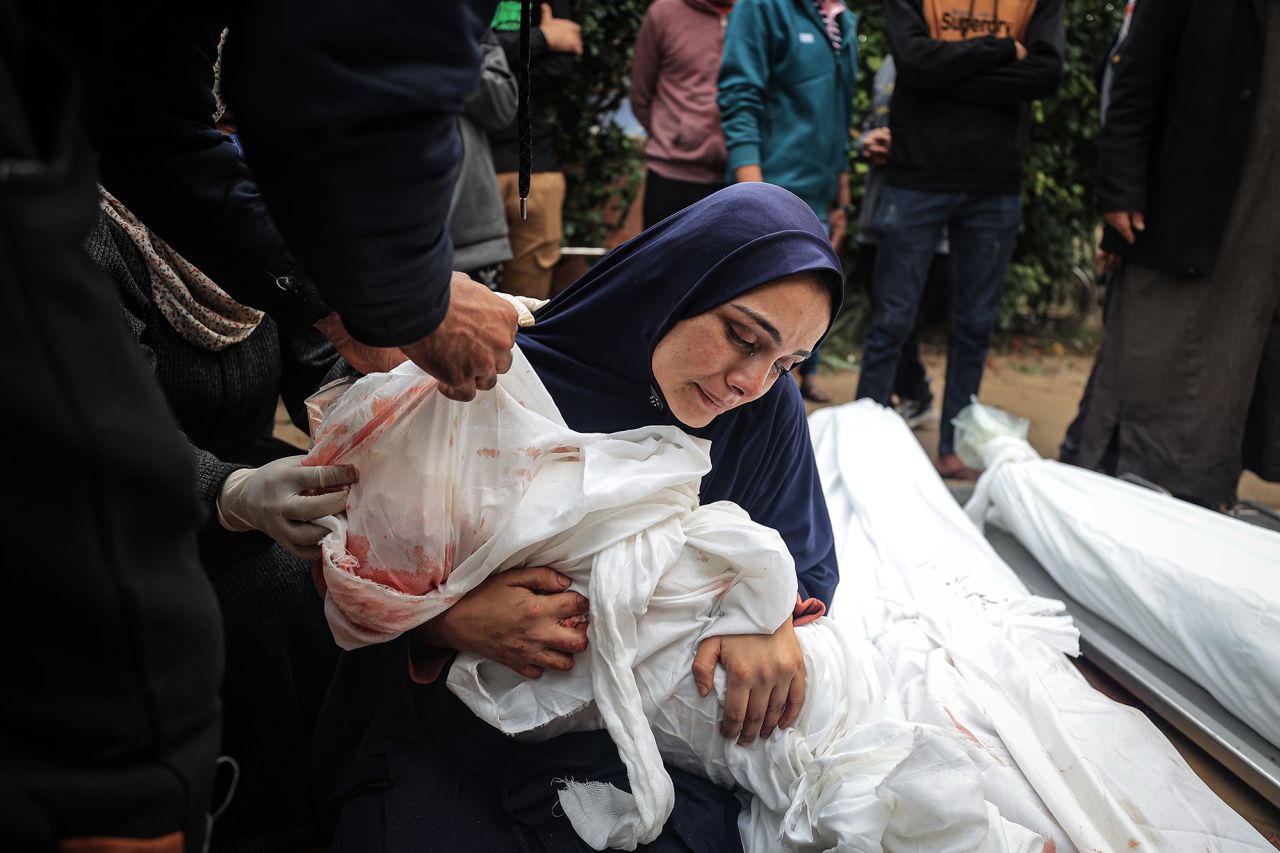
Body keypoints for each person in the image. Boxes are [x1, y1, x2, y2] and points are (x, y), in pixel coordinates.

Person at [320, 183, 842, 851]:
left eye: (786, 362)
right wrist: (448, 622)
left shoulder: (763, 415)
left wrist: (768, 617)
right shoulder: (499, 374)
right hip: (451, 726)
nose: (750, 379)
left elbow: (805, 564)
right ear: (674, 283)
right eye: (742, 336)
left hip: (643, 749)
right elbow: (347, 569)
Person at [89, 190, 351, 850]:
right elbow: (110, 422)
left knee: (355, 547)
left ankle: (353, 785)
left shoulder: (232, 215)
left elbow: (320, 352)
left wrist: (380, 413)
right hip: (128, 504)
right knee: (277, 591)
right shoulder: (86, 228)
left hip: (255, 469)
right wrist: (226, 491)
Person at [1071, 0, 1278, 508]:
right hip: (1185, 202)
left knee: (1237, 362)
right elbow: (1135, 81)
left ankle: (1203, 498)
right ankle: (1129, 497)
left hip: (1265, 216)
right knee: (1153, 349)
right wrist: (1120, 189)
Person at [854, 0, 1064, 479]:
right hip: (915, 177)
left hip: (995, 183)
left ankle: (954, 449)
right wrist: (1000, 50)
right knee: (892, 319)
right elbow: (910, 61)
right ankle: (860, 444)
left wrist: (944, 76)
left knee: (974, 325)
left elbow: (1046, 72)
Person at [717, 0, 858, 404]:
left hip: (821, 193)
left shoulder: (842, 19)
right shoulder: (761, 8)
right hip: (775, 190)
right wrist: (753, 197)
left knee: (813, 301)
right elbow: (740, 96)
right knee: (760, 311)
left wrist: (842, 197)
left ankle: (798, 385)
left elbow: (841, 115)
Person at [854, 54, 945, 429]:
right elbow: (868, 126)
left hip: (921, 220)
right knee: (888, 316)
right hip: (878, 214)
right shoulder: (892, 62)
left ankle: (867, 422)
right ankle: (917, 395)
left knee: (894, 320)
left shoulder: (949, 56)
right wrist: (866, 142)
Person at [490, 0, 582, 299]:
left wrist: (487, 69)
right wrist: (540, 39)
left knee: (524, 318)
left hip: (536, 171)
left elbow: (560, 66)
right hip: (460, 172)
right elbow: (445, 59)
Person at [630, 0, 732, 228]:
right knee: (664, 263)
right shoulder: (664, 12)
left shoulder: (760, 14)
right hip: (671, 178)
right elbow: (641, 94)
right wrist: (675, 134)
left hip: (741, 178)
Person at [450, 30, 518, 287]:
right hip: (382, 238)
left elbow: (502, 106)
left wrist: (441, 41)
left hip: (469, 239)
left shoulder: (464, 15)